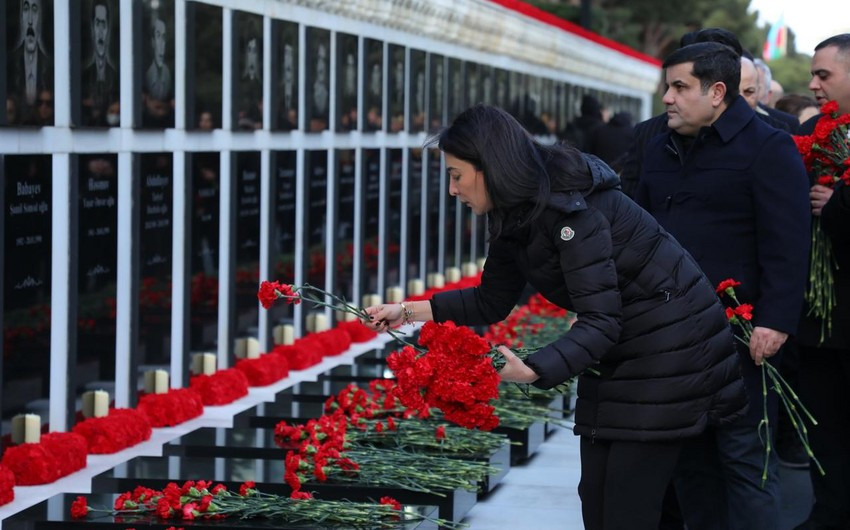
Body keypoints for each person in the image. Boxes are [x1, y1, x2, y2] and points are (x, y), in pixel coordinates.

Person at [365, 104, 748, 530]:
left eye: (456, 175)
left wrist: (532, 369)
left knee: (626, 507)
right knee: (597, 499)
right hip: (624, 353)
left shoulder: (569, 211)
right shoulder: (519, 210)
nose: (452, 190)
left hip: (672, 353)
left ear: (489, 167)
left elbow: (601, 319)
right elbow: (493, 299)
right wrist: (407, 311)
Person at [636, 42, 811, 530]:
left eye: (679, 87)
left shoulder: (767, 147)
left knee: (746, 461)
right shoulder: (660, 146)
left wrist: (774, 321)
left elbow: (789, 242)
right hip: (670, 337)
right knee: (690, 465)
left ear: (717, 92)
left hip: (742, 338)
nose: (667, 98)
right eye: (666, 86)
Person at [619, 28, 789, 198]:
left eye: (680, 87)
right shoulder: (650, 137)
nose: (667, 98)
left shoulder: (771, 141)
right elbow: (631, 207)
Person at [793, 33, 850, 530]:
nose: (812, 84)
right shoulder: (823, 134)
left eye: (824, 75)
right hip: (823, 326)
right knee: (826, 432)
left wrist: (837, 207)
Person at [9, 0, 53, 124]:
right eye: (26, 9)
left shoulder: (49, 65)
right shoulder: (11, 63)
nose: (30, 20)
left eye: (34, 10)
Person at [81, 1, 118, 126]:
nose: (101, 31)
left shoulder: (116, 74)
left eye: (104, 24)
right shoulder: (84, 74)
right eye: (97, 24)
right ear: (92, 28)